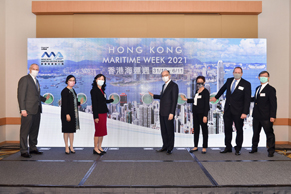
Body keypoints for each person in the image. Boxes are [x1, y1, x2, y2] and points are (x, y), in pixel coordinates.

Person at [210, 67, 251, 155]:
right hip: (228, 110)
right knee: (227, 129)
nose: (237, 73)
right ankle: (228, 147)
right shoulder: (229, 80)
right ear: (233, 73)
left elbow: (247, 99)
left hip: (239, 111)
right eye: (235, 72)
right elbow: (222, 89)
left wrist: (245, 112)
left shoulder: (246, 84)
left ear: (242, 74)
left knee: (239, 130)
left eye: (239, 72)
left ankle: (238, 148)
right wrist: (216, 97)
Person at [17, 64, 47, 158]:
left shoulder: (36, 80)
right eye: (34, 69)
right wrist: (22, 109)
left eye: (37, 69)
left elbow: (35, 95)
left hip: (37, 109)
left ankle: (33, 148)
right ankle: (24, 150)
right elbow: (21, 95)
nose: (36, 71)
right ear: (30, 69)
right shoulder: (24, 79)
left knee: (34, 130)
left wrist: (44, 99)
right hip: (28, 110)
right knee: (25, 131)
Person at [149, 70, 179, 155]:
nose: (164, 77)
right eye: (162, 75)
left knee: (169, 131)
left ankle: (170, 148)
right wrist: (154, 95)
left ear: (169, 75)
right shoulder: (164, 85)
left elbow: (174, 100)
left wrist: (172, 113)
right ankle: (165, 146)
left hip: (169, 112)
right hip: (162, 112)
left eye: (165, 75)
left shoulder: (174, 86)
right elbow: (163, 97)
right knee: (163, 130)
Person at [249, 71, 277, 157]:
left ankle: (271, 150)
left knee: (269, 133)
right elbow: (255, 99)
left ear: (268, 78)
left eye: (265, 76)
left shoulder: (271, 89)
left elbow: (273, 104)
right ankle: (254, 148)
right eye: (262, 76)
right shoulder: (258, 88)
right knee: (255, 133)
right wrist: (246, 98)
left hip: (266, 116)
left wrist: (273, 116)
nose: (263, 78)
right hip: (257, 115)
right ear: (258, 77)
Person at [181, 76, 210, 154]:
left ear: (204, 82)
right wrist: (186, 99)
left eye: (201, 82)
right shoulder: (197, 91)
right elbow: (195, 100)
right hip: (196, 114)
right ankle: (195, 146)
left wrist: (205, 115)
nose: (199, 84)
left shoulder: (206, 92)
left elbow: (206, 105)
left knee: (204, 131)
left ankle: (204, 147)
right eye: (198, 82)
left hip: (202, 114)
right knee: (196, 130)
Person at [90, 74, 114, 155]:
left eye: (103, 79)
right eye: (100, 79)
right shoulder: (94, 90)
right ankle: (95, 148)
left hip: (104, 112)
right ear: (96, 80)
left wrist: (110, 100)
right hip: (98, 114)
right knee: (98, 131)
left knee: (102, 131)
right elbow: (94, 104)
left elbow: (103, 101)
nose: (101, 80)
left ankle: (100, 147)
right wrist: (96, 116)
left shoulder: (102, 90)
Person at [61, 75, 80, 154]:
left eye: (74, 80)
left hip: (73, 113)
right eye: (71, 80)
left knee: (72, 131)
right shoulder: (64, 91)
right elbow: (64, 104)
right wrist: (67, 114)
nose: (73, 82)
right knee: (66, 130)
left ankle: (71, 146)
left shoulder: (73, 90)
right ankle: (66, 146)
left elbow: (74, 102)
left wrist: (79, 103)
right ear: (67, 81)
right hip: (67, 113)